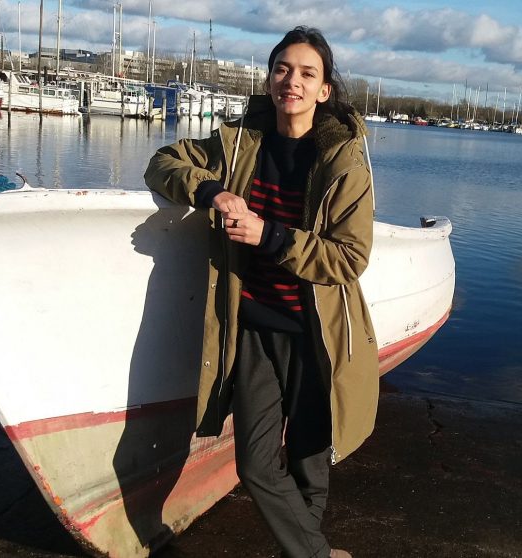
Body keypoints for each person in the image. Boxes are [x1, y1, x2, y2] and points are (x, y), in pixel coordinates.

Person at [144, 26, 379, 558]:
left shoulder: (344, 162)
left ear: (324, 90)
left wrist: (270, 236)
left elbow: (349, 258)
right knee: (255, 465)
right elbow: (162, 163)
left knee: (309, 464)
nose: (291, 81)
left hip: (317, 335)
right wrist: (212, 190)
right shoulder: (238, 144)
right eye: (282, 69)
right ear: (269, 78)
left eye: (307, 73)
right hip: (253, 326)